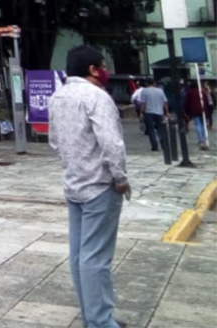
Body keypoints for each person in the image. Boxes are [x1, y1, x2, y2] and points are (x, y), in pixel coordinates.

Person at [48, 46, 129, 328]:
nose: (105, 71)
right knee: (97, 259)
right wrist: (120, 178)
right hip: (100, 186)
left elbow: (55, 142)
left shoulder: (57, 97)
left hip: (73, 184)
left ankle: (93, 316)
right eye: (102, 66)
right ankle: (100, 321)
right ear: (93, 69)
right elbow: (111, 143)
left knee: (81, 255)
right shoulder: (97, 97)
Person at [139, 81, 169, 152]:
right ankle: (163, 144)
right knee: (160, 129)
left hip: (149, 112)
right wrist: (167, 112)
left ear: (147, 83)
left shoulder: (144, 91)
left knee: (151, 130)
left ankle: (154, 146)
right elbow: (165, 102)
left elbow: (143, 103)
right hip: (159, 112)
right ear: (154, 84)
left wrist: (141, 112)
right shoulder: (160, 91)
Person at [184, 82, 210, 151]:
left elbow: (187, 102)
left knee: (198, 125)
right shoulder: (202, 92)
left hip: (194, 111)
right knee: (202, 124)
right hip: (203, 110)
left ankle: (200, 139)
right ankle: (204, 138)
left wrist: (187, 111)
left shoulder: (190, 93)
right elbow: (206, 101)